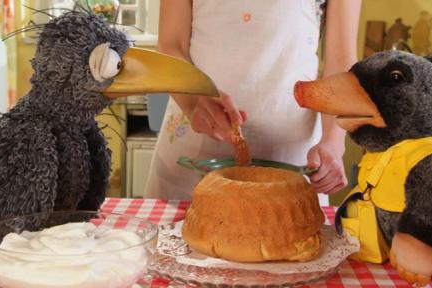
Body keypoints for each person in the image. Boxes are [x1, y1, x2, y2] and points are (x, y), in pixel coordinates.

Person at [145, 0, 362, 201]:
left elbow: (340, 58)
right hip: (193, 161)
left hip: (294, 161)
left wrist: (333, 141)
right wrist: (192, 103)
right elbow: (171, 45)